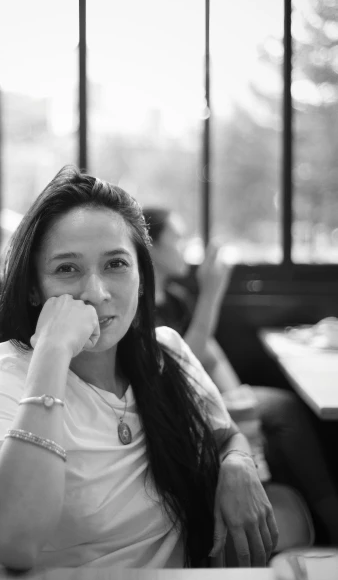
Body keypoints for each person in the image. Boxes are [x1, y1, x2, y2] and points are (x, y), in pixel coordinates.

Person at [0, 166, 278, 571]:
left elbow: (226, 435)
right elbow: (13, 543)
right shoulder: (9, 371)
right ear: (35, 289)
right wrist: (53, 352)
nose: (96, 293)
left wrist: (238, 464)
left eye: (115, 264)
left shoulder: (167, 354)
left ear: (143, 277)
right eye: (67, 269)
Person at [143, 206, 338, 545]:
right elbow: (181, 360)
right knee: (284, 410)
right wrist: (212, 293)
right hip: (177, 406)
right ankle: (327, 521)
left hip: (209, 396)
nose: (184, 248)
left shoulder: (176, 298)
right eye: (176, 239)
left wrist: (238, 395)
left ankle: (307, 519)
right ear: (152, 248)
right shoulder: (143, 304)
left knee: (277, 411)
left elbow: (213, 354)